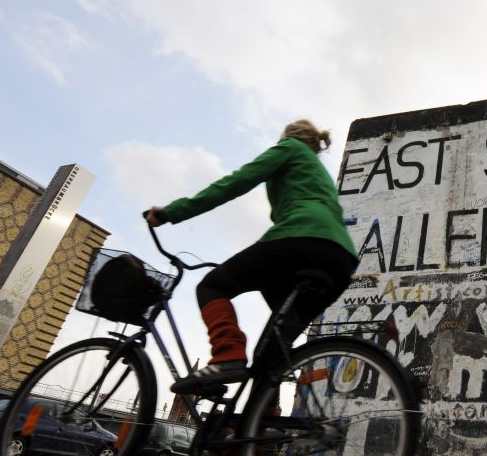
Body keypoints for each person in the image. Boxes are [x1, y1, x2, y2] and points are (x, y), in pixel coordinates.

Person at [145, 119, 358, 394]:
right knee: (271, 354)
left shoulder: (289, 148)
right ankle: (259, 420)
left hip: (302, 240)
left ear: (289, 135)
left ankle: (227, 353)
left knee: (213, 286)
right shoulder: (317, 171)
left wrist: (173, 212)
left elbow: (236, 182)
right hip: (340, 258)